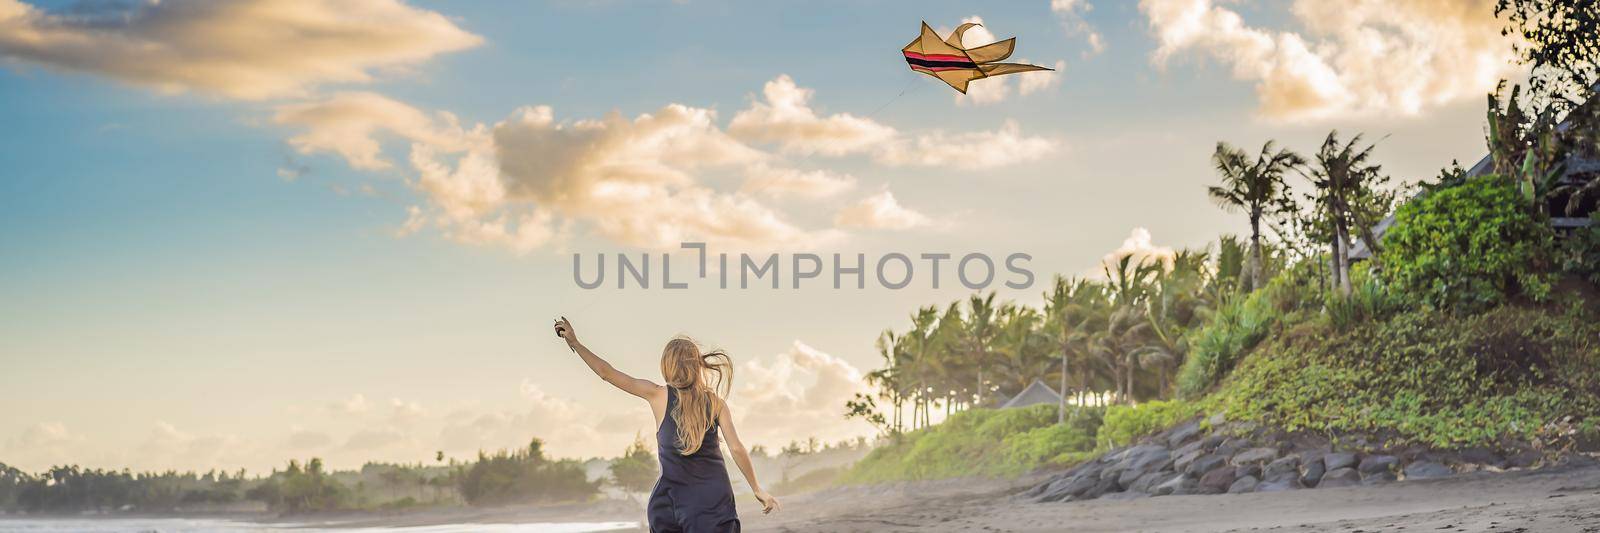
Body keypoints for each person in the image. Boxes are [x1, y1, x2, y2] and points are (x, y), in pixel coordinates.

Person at [553, 317, 778, 532]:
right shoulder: (716, 404)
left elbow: (607, 373)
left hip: (668, 506)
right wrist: (757, 489)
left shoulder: (658, 395)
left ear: (667, 365)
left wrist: (575, 343)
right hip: (712, 506)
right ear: (697, 365)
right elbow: (736, 448)